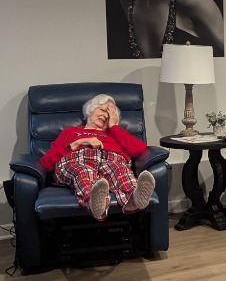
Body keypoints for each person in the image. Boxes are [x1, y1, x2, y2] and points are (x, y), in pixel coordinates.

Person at [39, 94, 156, 222]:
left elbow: (139, 149)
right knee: (83, 171)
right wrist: (76, 144)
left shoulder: (115, 134)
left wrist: (114, 127)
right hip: (76, 160)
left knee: (119, 170)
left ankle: (135, 197)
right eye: (103, 110)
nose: (106, 116)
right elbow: (45, 163)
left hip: (111, 161)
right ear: (90, 110)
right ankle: (94, 202)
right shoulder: (70, 132)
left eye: (110, 114)